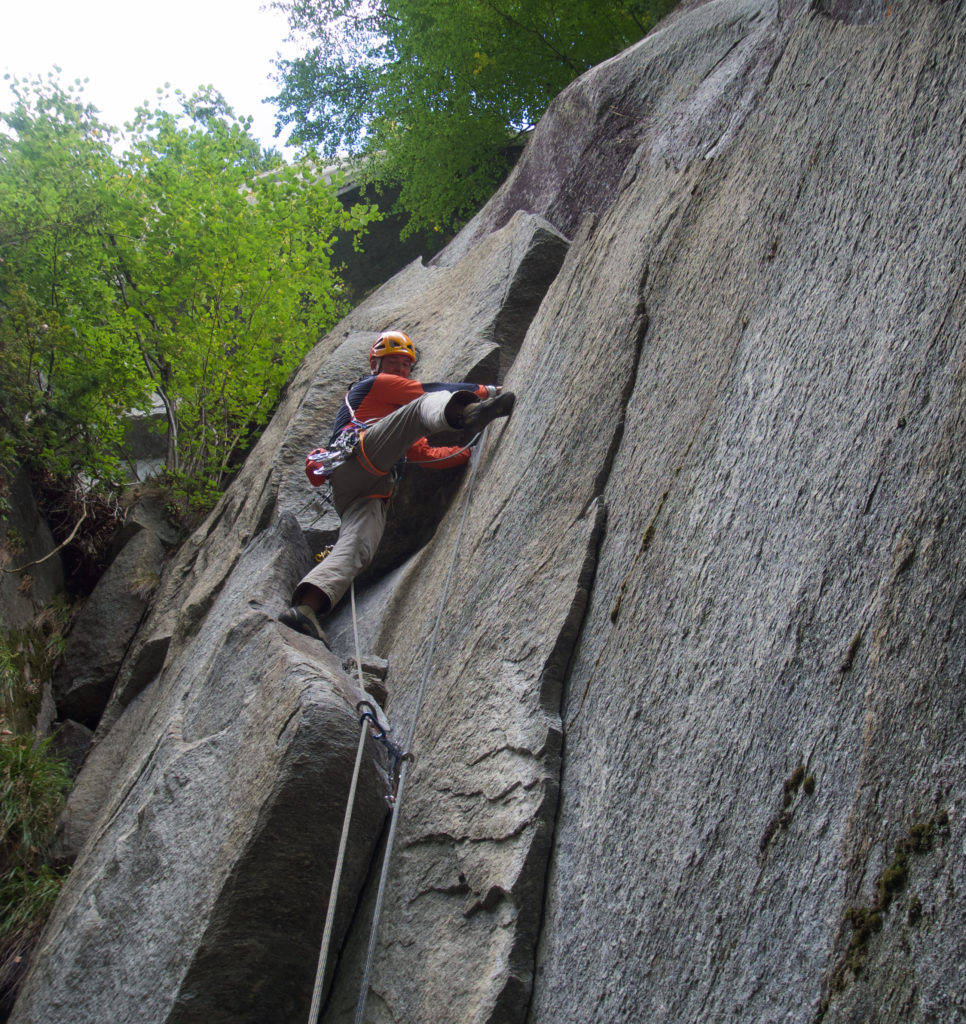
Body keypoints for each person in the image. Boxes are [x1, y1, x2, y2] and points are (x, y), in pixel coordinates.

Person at [279, 330, 514, 647]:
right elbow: (424, 394)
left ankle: (306, 608)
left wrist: (466, 454)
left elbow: (423, 454)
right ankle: (466, 411)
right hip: (359, 454)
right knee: (423, 405)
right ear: (375, 364)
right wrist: (485, 392)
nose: (400, 370)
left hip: (363, 488)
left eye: (406, 365)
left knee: (358, 548)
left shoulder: (395, 420)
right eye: (393, 362)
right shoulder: (371, 386)